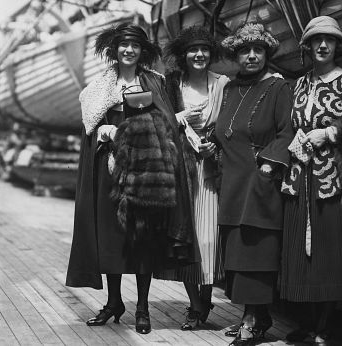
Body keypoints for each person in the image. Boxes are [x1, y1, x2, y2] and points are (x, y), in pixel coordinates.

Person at [65, 23, 196, 335]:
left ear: (143, 51)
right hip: (111, 171)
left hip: (145, 174)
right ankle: (114, 303)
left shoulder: (155, 81)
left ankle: (142, 308)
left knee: (143, 241)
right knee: (112, 239)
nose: (129, 50)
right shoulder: (99, 87)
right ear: (114, 48)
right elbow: (89, 129)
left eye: (135, 46)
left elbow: (165, 122)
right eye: (123, 45)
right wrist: (103, 131)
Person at [280, 16, 342, 345]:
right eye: (315, 40)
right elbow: (290, 126)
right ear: (307, 46)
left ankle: (324, 327)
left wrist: (330, 132)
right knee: (300, 253)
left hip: (332, 182)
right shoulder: (299, 83)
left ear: (338, 45)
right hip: (298, 179)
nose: (322, 45)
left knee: (326, 254)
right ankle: (308, 324)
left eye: (329, 40)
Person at [215, 22, 294, 345]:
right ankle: (259, 315)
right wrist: (211, 144)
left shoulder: (278, 88)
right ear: (236, 55)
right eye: (245, 50)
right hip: (232, 182)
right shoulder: (230, 88)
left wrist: (268, 166)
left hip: (260, 181)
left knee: (256, 254)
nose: (251, 56)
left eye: (258, 50)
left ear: (266, 54)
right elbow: (224, 131)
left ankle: (250, 320)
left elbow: (287, 131)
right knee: (236, 254)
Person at [153, 26, 230, 330]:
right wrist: (178, 118)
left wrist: (216, 147)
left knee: (208, 239)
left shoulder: (223, 84)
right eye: (192, 50)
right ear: (183, 56)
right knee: (185, 236)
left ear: (211, 54)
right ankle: (195, 305)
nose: (199, 55)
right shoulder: (172, 85)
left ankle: (206, 297)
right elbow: (157, 121)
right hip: (180, 168)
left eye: (204, 50)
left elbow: (232, 124)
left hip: (211, 168)